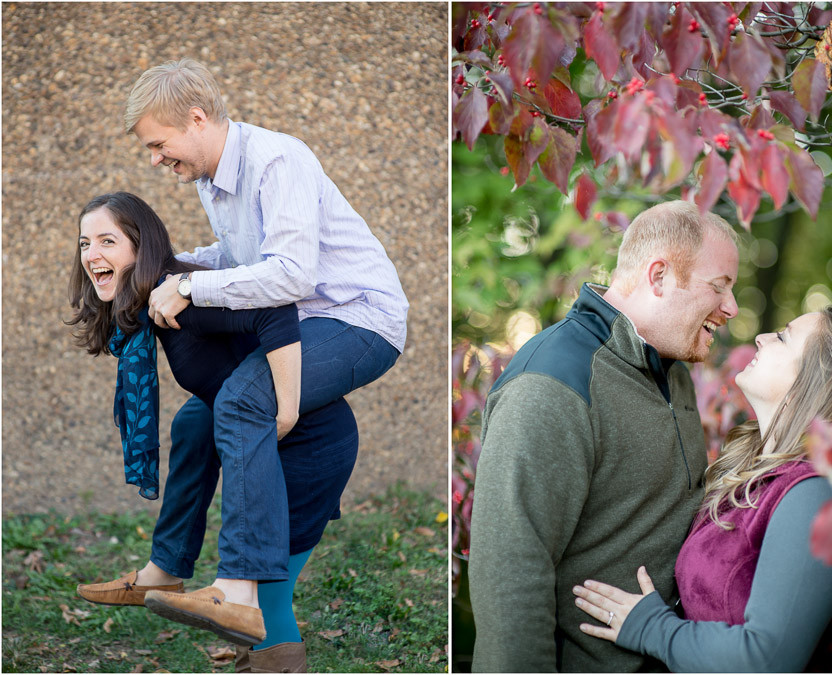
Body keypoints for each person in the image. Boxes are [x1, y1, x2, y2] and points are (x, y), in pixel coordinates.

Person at [78, 57, 408, 670]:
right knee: (198, 420)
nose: (154, 159)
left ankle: (237, 590)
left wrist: (189, 289)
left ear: (197, 119)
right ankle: (168, 569)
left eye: (159, 144)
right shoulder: (211, 179)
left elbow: (288, 276)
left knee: (242, 398)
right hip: (306, 323)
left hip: (360, 318)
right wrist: (169, 270)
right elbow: (236, 261)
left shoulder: (276, 161)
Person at [70, 192, 363, 672]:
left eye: (107, 241)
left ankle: (272, 661)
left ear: (140, 249)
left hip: (310, 445)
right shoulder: (153, 307)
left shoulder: (182, 297)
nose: (92, 255)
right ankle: (164, 571)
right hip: (271, 440)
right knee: (194, 419)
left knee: (267, 602)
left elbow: (276, 310)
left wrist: (286, 408)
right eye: (85, 243)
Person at [468, 200, 741, 672]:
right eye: (718, 288)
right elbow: (508, 577)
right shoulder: (552, 383)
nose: (731, 308)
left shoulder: (670, 368)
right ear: (658, 277)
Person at [572, 308, 832, 672]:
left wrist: (651, 628)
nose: (761, 337)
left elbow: (766, 661)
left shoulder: (820, 496)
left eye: (783, 336)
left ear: (816, 380)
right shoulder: (762, 480)